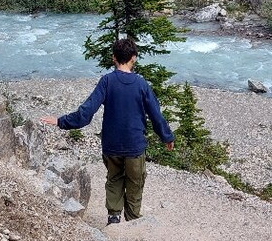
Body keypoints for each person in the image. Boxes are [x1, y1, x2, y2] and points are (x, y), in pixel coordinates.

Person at [41, 38, 174, 225]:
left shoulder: (107, 82)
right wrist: (167, 136)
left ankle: (114, 217)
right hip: (135, 145)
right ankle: (133, 221)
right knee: (135, 183)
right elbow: (155, 115)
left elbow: (86, 113)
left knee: (114, 179)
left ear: (114, 58)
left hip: (111, 145)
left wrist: (61, 121)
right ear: (134, 58)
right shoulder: (141, 84)